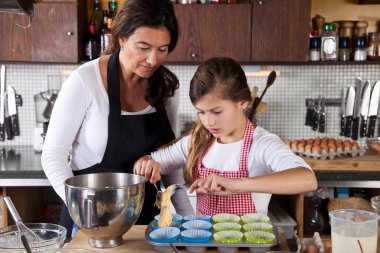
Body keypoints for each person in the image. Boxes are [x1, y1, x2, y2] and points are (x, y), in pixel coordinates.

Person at [41, 0, 193, 237]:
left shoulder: (166, 87)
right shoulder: (85, 81)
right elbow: (52, 156)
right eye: (143, 47)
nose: (153, 60)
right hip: (90, 219)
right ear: (121, 38)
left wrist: (188, 219)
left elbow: (170, 159)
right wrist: (82, 209)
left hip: (146, 223)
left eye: (162, 49)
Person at [134, 56, 318, 216]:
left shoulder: (261, 144)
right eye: (201, 112)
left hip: (248, 245)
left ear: (243, 103)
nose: (209, 122)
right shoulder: (197, 141)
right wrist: (146, 163)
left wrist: (237, 185)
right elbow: (154, 161)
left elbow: (307, 180)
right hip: (207, 245)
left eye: (217, 111)